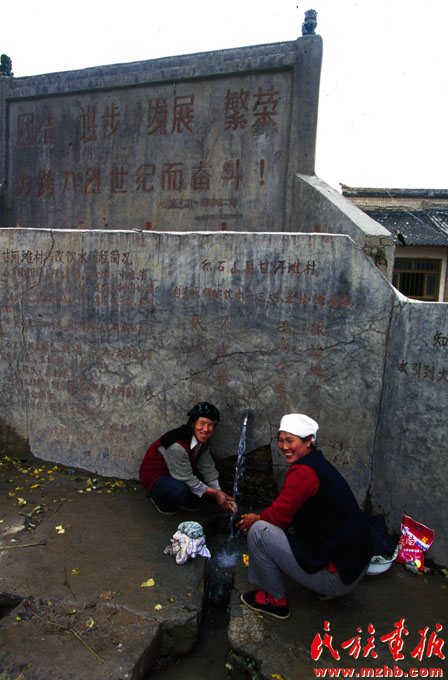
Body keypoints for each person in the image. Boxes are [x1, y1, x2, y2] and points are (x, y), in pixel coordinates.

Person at [236, 413, 373, 620]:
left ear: (308, 441)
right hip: (355, 566)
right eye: (281, 440)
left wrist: (256, 518)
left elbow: (279, 516)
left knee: (258, 532)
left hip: (337, 579)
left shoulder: (304, 473)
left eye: (290, 440)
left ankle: (276, 602)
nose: (284, 447)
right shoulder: (318, 463)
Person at [140, 402, 235, 514]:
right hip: (156, 477)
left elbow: (207, 468)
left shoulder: (202, 441)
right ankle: (159, 500)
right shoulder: (177, 446)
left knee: (200, 490)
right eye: (202, 423)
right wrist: (216, 494)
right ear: (193, 423)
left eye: (210, 425)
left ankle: (185, 499)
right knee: (181, 491)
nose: (206, 429)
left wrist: (219, 492)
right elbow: (188, 479)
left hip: (177, 472)